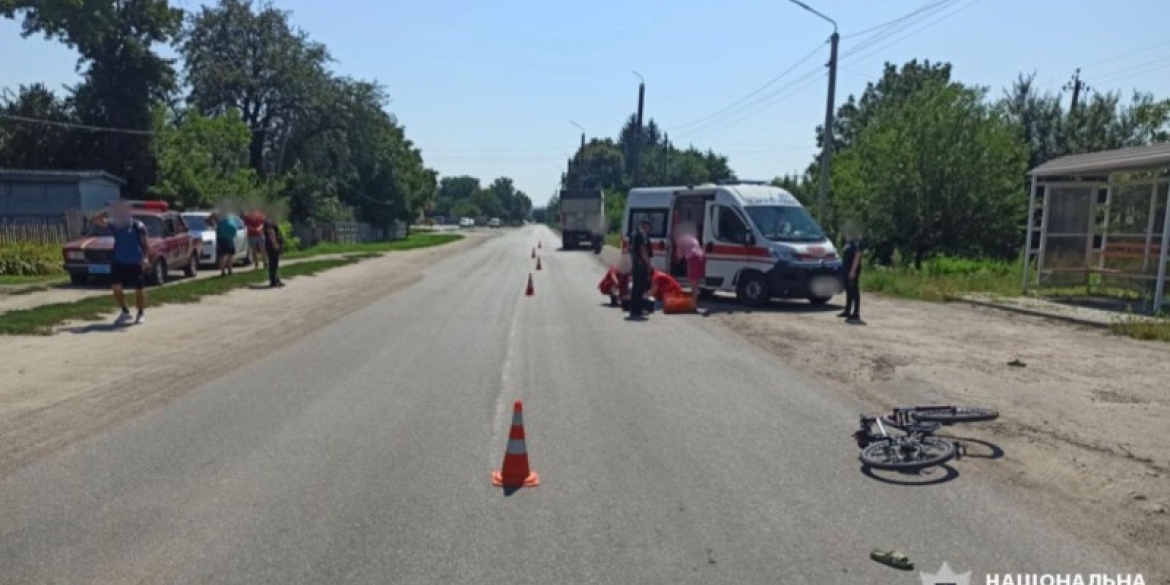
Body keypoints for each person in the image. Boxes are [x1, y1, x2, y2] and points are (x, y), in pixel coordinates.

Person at [92, 201, 150, 325]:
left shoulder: (137, 225)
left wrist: (145, 258)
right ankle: (125, 311)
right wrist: (108, 210)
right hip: (118, 261)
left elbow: (145, 243)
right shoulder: (114, 224)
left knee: (139, 290)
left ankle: (140, 313)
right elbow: (96, 219)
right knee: (116, 288)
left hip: (135, 261)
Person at [628, 217, 654, 319]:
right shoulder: (640, 235)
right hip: (640, 265)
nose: (650, 228)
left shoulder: (635, 234)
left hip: (636, 264)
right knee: (638, 288)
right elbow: (643, 250)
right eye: (648, 226)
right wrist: (648, 264)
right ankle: (636, 309)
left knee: (638, 287)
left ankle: (636, 309)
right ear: (644, 225)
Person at [840, 227, 864, 323]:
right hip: (846, 269)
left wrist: (853, 271)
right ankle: (847, 310)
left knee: (854, 290)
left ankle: (856, 313)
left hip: (853, 269)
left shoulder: (858, 242)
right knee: (848, 290)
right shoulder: (849, 241)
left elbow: (858, 256)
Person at [215, 212, 239, 277]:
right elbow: (209, 220)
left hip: (230, 237)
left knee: (230, 255)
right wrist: (215, 226)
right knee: (223, 255)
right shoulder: (218, 214)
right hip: (222, 237)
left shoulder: (230, 214)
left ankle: (230, 271)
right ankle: (223, 272)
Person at [263, 216, 285, 288]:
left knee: (274, 263)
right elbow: (271, 233)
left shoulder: (268, 221)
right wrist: (275, 244)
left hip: (270, 244)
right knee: (273, 263)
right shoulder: (269, 222)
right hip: (272, 244)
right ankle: (273, 281)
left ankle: (275, 279)